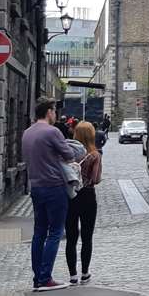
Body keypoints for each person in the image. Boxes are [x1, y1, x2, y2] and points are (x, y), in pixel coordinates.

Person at [22, 98, 73, 291]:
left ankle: (38, 277)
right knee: (55, 232)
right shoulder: (53, 132)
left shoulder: (27, 132)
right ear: (49, 112)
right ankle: (45, 278)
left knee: (39, 232)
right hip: (54, 186)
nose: (56, 115)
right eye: (54, 111)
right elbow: (69, 155)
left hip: (36, 186)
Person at [65, 120, 102, 285]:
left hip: (71, 196)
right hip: (87, 196)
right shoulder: (95, 155)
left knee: (71, 237)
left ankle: (72, 275)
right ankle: (85, 273)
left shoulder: (67, 154)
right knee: (87, 237)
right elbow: (96, 179)